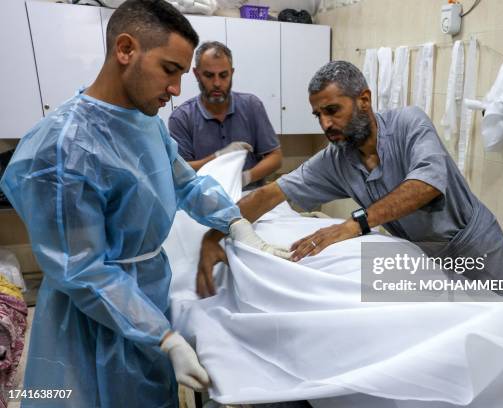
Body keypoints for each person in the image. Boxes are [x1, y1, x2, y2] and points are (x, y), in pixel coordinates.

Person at [0, 1, 289, 406]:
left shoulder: (146, 122)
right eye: (170, 70)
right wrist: (165, 337)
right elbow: (82, 269)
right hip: (92, 323)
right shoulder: (64, 148)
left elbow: (185, 183)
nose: (176, 90)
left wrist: (234, 222)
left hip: (148, 300)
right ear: (125, 49)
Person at [198, 60, 503, 296]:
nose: (325, 124)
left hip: (475, 244)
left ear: (363, 100)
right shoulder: (336, 160)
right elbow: (269, 195)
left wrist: (353, 225)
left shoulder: (409, 124)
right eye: (318, 115)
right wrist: (215, 235)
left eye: (332, 110)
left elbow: (426, 185)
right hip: (424, 259)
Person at [169, 41, 282, 189]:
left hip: (250, 195)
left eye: (223, 75)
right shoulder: (181, 117)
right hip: (204, 199)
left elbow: (275, 158)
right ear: (197, 74)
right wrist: (217, 157)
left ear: (232, 73)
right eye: (209, 75)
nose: (217, 83)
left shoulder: (252, 106)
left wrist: (244, 178)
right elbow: (180, 172)